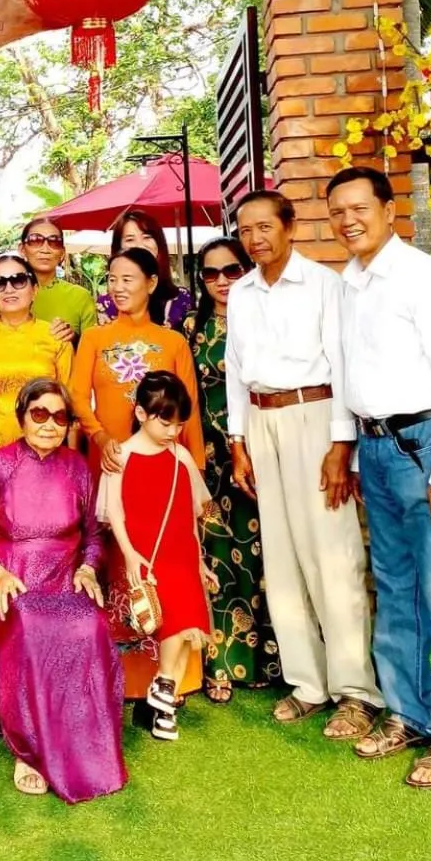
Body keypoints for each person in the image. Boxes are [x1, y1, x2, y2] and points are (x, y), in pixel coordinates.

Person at [327, 166, 431, 789]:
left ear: (388, 211)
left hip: (428, 449)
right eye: (338, 211)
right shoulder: (349, 284)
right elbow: (347, 375)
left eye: (359, 208)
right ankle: (407, 714)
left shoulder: (423, 277)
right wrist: (352, 454)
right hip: (377, 450)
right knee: (394, 590)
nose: (348, 221)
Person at [226, 189, 381, 740]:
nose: (255, 238)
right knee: (283, 555)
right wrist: (238, 439)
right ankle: (308, 683)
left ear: (289, 226)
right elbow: (235, 367)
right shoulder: (241, 292)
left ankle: (356, 691)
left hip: (315, 415)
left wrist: (342, 444)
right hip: (261, 421)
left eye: (265, 226)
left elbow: (342, 365)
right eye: (246, 230)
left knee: (332, 557)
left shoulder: (323, 284)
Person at [0, 379, 125, 802]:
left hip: (64, 579)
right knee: (32, 627)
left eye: (59, 416)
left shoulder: (77, 467)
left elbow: (93, 535)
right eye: (40, 414)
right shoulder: (0, 464)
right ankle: (30, 752)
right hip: (14, 580)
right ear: (22, 416)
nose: (50, 424)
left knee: (90, 624)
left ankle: (87, 746)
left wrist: (88, 569)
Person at [185, 237, 278, 702]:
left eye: (231, 270)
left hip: (261, 449)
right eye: (210, 273)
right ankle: (220, 663)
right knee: (216, 552)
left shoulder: (266, 316)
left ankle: (270, 660)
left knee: (264, 554)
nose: (221, 281)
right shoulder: (191, 326)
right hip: (210, 455)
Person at [106, 372, 213, 741]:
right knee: (177, 621)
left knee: (189, 624)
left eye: (179, 424)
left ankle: (165, 701)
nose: (173, 431)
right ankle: (165, 686)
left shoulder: (181, 456)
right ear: (141, 413)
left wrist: (200, 561)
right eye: (165, 423)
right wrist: (129, 554)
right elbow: (114, 512)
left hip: (181, 551)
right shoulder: (121, 455)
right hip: (147, 554)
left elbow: (189, 514)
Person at [72, 248, 205, 484]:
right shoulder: (93, 338)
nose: (117, 287)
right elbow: (77, 397)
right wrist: (99, 437)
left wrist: (197, 465)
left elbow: (190, 407)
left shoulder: (174, 342)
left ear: (151, 283)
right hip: (110, 458)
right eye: (112, 279)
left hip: (164, 458)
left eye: (127, 279)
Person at [0, 254, 73, 470]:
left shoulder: (56, 338)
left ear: (34, 290)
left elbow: (70, 405)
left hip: (44, 449)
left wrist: (71, 462)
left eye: (18, 280)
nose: (9, 289)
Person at [97, 209, 192, 329]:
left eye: (147, 237)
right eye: (130, 239)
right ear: (118, 247)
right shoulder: (106, 305)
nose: (140, 245)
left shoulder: (180, 298)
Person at [19, 217, 96, 345]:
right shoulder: (7, 294)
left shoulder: (80, 296)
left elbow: (95, 348)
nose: (45, 249)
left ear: (62, 253)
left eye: (54, 242)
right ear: (22, 250)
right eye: (36, 240)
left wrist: (73, 339)